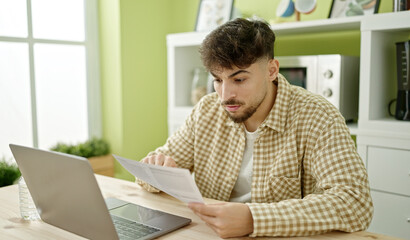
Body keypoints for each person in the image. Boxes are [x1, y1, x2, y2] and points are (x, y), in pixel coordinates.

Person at [137, 18, 373, 238]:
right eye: (218, 80)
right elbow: (159, 166)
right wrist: (155, 168)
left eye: (239, 80)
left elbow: (355, 202)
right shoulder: (207, 109)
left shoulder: (318, 116)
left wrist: (254, 219)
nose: (225, 95)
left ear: (272, 70)